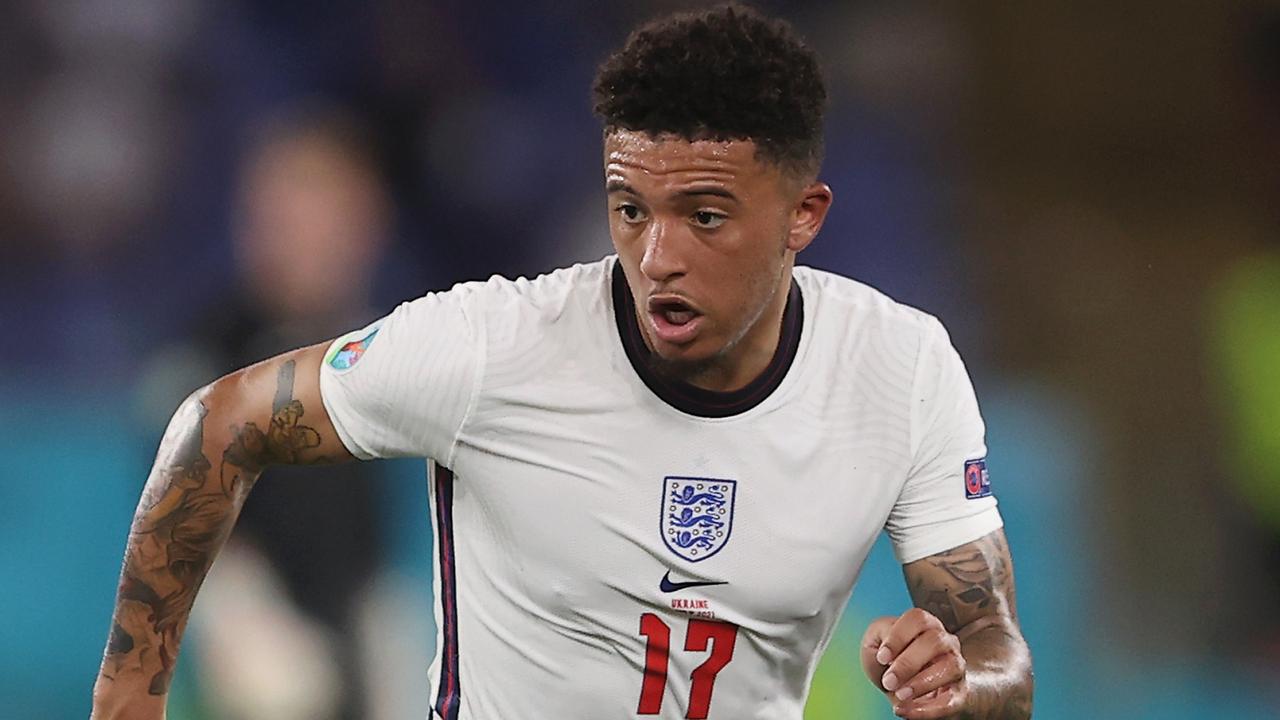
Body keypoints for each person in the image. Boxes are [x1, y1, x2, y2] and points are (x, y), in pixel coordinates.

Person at [92, 5, 1032, 719]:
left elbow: (998, 652)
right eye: (631, 209)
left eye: (704, 216)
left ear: (803, 217)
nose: (658, 255)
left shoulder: (899, 369)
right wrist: (130, 701)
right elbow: (216, 424)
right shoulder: (493, 347)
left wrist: (962, 681)